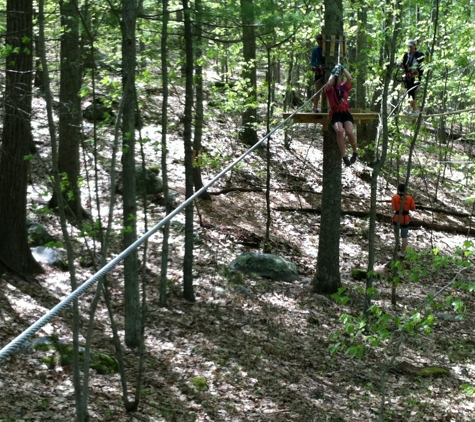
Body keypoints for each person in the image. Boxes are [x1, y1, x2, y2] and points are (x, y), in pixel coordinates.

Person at [324, 64, 358, 167]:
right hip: (336, 113)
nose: (338, 79)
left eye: (339, 77)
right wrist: (333, 73)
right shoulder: (329, 89)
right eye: (336, 77)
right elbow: (329, 83)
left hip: (345, 112)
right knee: (339, 131)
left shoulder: (344, 87)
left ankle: (355, 152)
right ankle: (344, 156)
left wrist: (343, 68)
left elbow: (350, 78)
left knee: (349, 131)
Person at [392, 183, 416, 258]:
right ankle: (402, 253)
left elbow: (393, 208)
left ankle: (397, 245)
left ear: (398, 189)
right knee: (404, 236)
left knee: (396, 232)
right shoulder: (409, 198)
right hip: (406, 219)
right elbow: (413, 208)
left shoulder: (395, 197)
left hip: (397, 218)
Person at [401, 40, 424, 116]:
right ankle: (410, 109)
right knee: (409, 92)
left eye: (411, 46)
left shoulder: (419, 54)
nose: (410, 47)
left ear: (415, 46)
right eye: (409, 46)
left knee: (411, 91)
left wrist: (428, 55)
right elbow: (404, 66)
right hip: (408, 77)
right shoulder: (406, 55)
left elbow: (426, 62)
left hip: (416, 77)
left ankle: (414, 110)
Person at [311, 34, 325, 113]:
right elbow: (313, 61)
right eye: (318, 42)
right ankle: (315, 107)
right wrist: (318, 65)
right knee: (318, 90)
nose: (320, 43)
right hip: (319, 72)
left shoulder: (328, 49)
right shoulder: (315, 50)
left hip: (329, 71)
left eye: (321, 42)